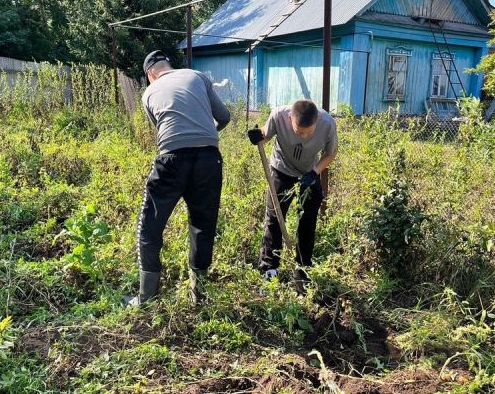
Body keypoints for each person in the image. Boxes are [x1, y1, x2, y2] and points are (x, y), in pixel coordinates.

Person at [126, 50, 230, 306]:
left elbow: (162, 132)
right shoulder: (197, 76)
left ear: (151, 74)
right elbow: (224, 117)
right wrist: (204, 137)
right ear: (168, 66)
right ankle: (199, 295)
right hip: (209, 159)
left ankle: (147, 296)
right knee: (203, 225)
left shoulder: (149, 92)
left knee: (150, 225)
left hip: (172, 160)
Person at [247, 99, 338, 286]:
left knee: (308, 220)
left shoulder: (327, 124)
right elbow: (266, 134)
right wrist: (258, 136)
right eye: (299, 132)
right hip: (281, 170)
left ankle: (303, 269)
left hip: (310, 173)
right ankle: (269, 268)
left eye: (309, 132)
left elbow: (330, 154)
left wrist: (315, 172)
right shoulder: (279, 115)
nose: (304, 137)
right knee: (274, 218)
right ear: (290, 119)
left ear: (317, 119)